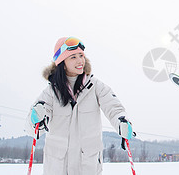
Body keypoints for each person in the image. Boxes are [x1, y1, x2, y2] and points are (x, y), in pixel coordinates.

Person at [26, 37, 134, 175]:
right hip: (57, 167)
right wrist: (36, 119)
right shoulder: (51, 92)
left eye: (81, 56)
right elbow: (32, 129)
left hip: (87, 165)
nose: (80, 61)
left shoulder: (95, 86)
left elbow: (113, 107)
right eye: (73, 57)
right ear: (62, 63)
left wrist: (121, 121)